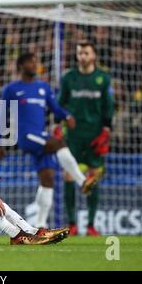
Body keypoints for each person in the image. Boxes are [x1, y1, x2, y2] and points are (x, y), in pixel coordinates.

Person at [0, 53, 98, 229]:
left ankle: (40, 226)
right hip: (27, 137)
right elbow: (2, 116)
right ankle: (82, 181)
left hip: (41, 138)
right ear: (20, 66)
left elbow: (55, 108)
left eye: (36, 61)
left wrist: (67, 115)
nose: (35, 64)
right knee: (58, 143)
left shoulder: (43, 87)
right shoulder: (11, 89)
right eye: (30, 61)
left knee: (48, 178)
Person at [58, 40, 114, 236]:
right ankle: (72, 224)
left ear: (94, 56)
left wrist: (106, 130)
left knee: (93, 177)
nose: (82, 56)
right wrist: (59, 124)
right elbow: (60, 104)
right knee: (68, 176)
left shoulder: (102, 79)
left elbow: (109, 107)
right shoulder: (68, 78)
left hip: (95, 136)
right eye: (80, 53)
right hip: (72, 136)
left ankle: (90, 225)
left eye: (86, 53)